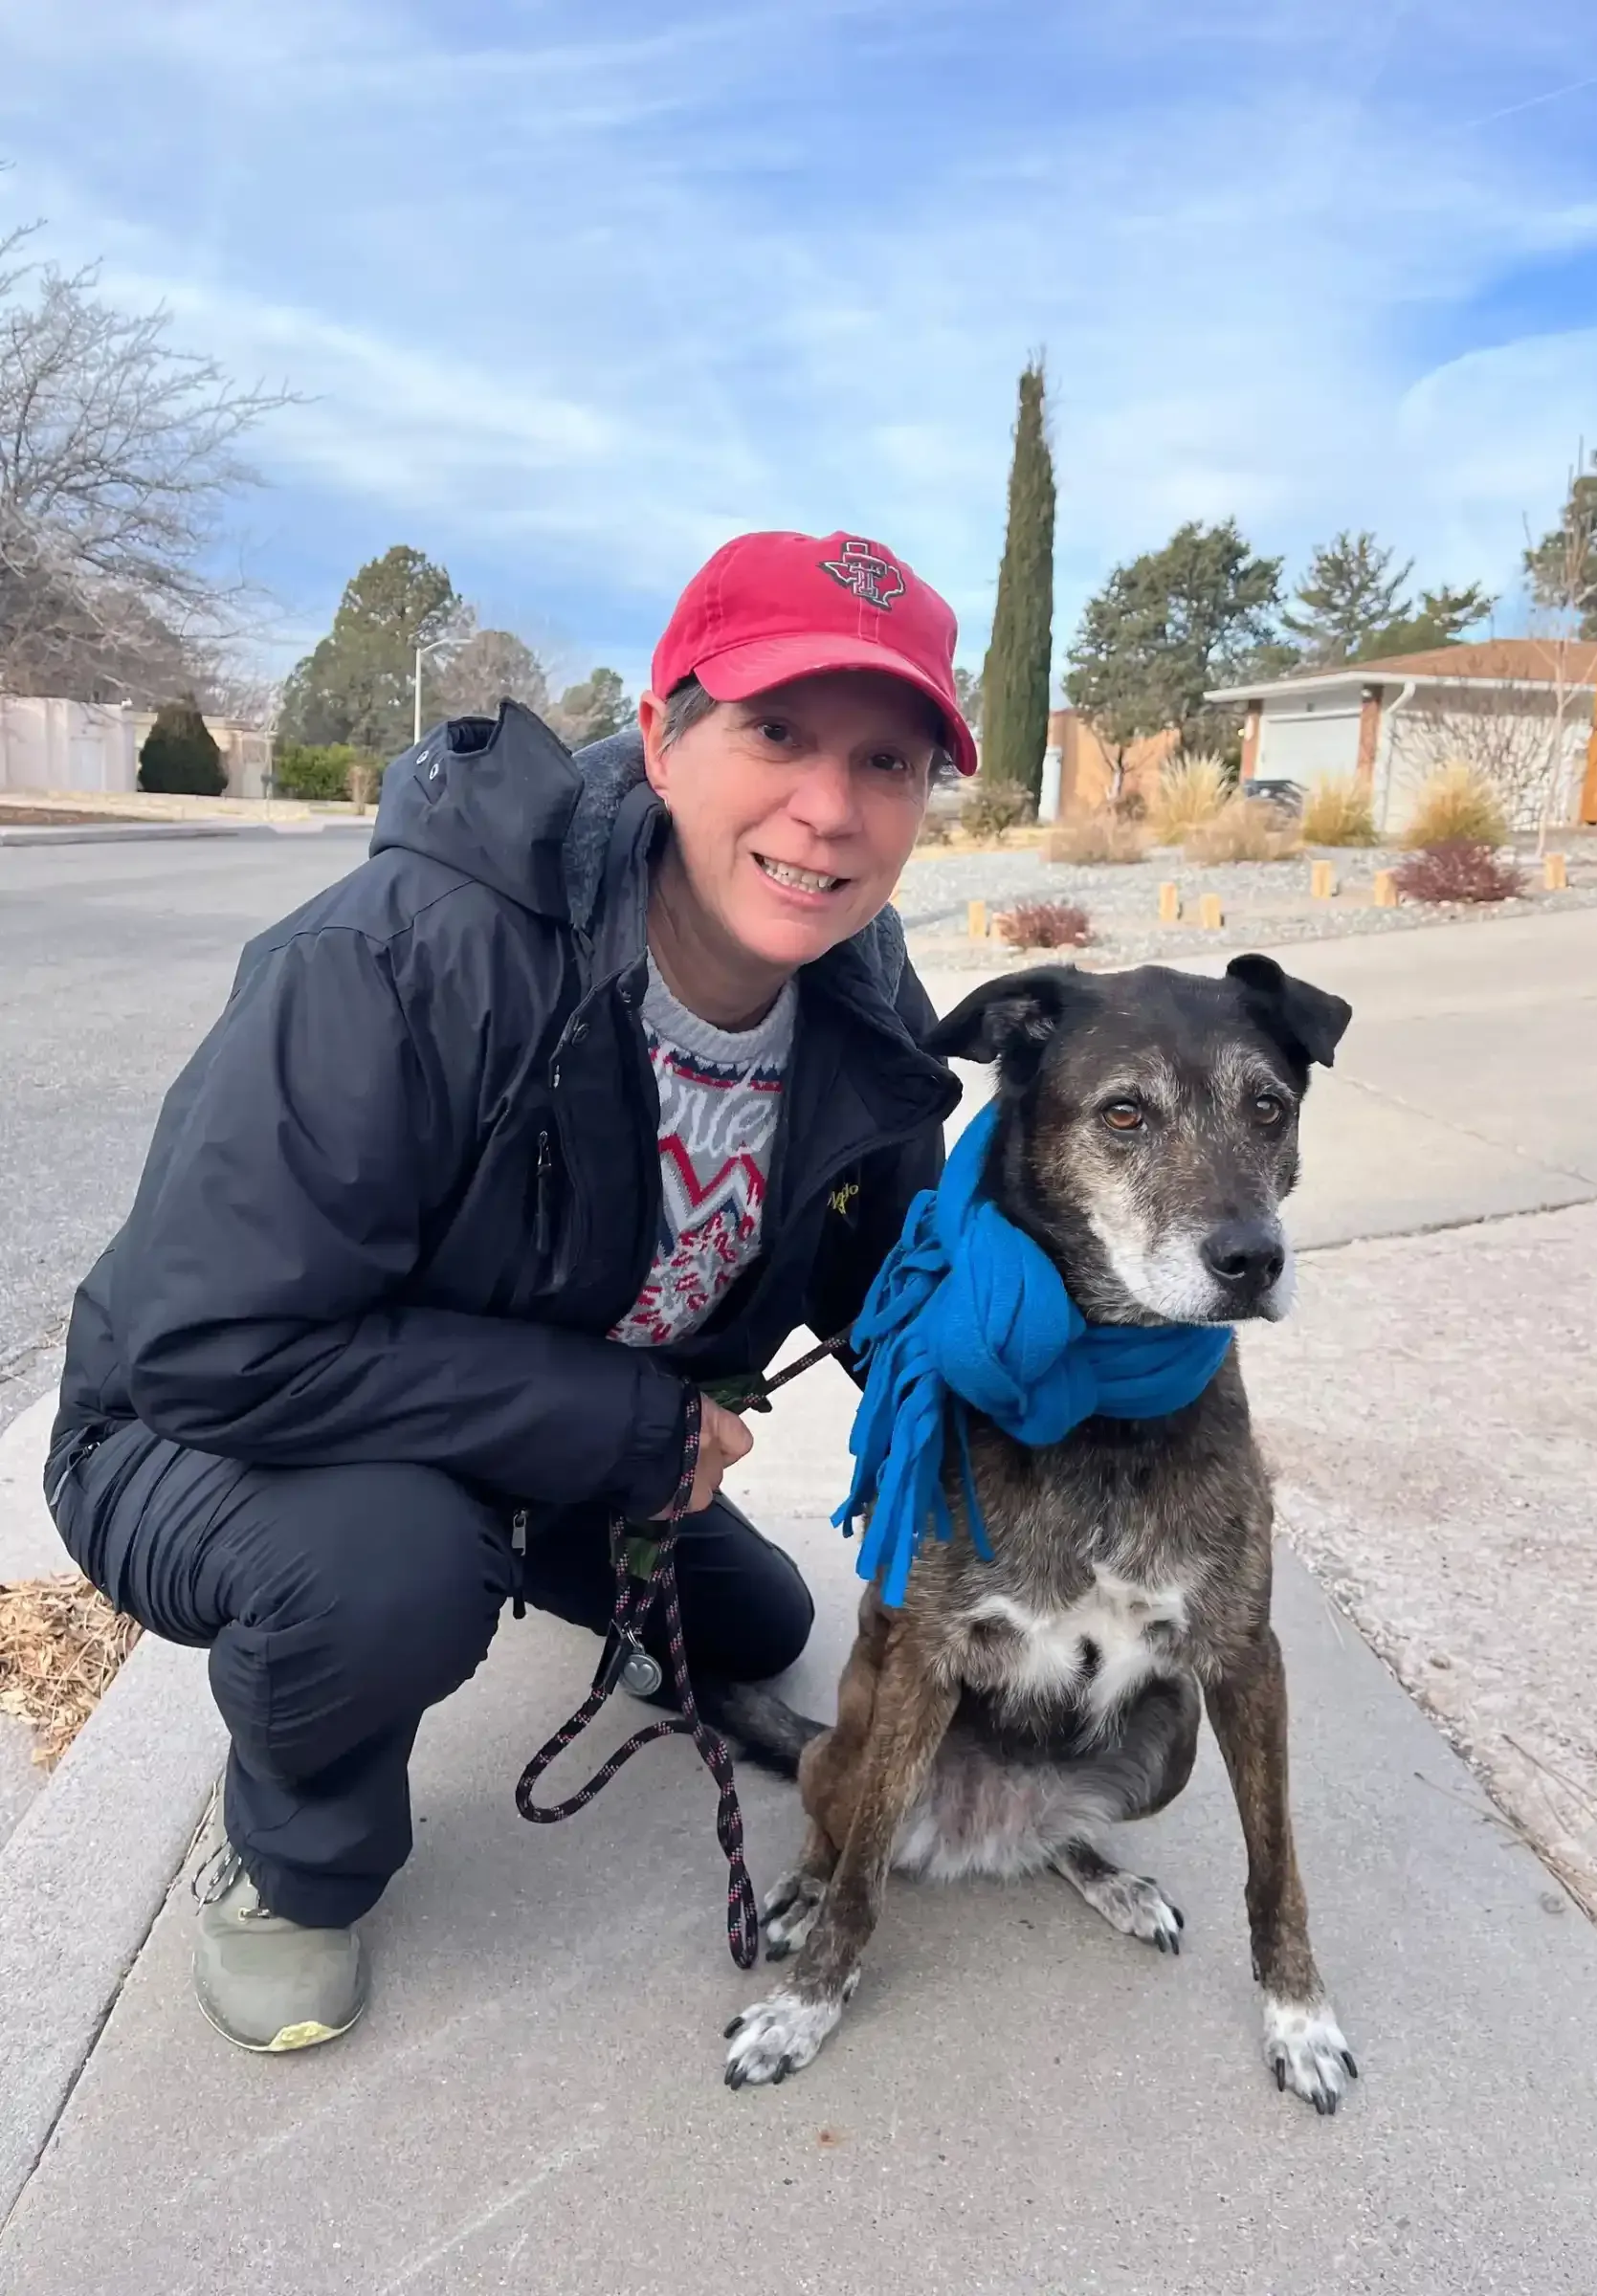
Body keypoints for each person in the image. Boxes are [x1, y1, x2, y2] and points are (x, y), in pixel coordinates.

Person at [43, 529, 971, 2054]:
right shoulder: (406, 954)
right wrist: (620, 1430)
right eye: (776, 733)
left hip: (535, 1433)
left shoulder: (861, 992)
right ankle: (293, 1859)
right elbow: (213, 1346)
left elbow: (894, 1289)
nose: (830, 807)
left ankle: (523, 1535)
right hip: (187, 1426)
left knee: (759, 1627)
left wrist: (1049, 1405)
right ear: (665, 737)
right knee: (390, 1575)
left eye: (888, 761)